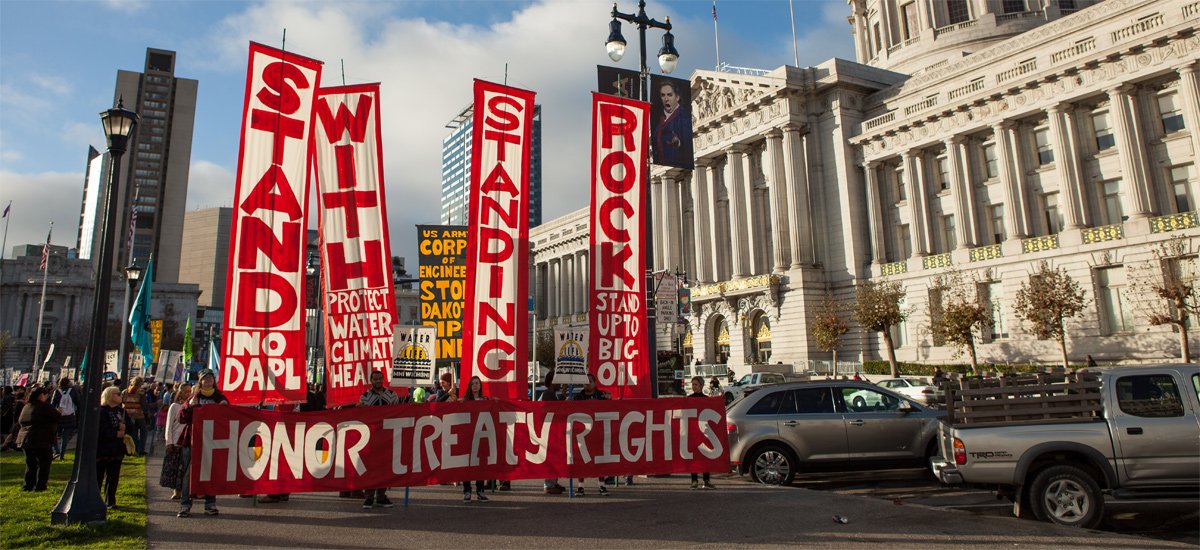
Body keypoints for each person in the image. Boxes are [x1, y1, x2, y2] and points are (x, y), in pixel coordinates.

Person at [177, 368, 228, 517]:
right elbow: (181, 418)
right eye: (205, 378)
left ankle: (210, 504)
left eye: (210, 378)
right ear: (200, 381)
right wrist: (189, 407)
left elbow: (228, 419)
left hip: (212, 440)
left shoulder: (220, 398)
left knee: (211, 473)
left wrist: (225, 408)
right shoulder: (194, 397)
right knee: (189, 474)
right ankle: (185, 505)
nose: (208, 381)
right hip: (193, 440)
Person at [358, 370, 399, 509]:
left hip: (387, 436)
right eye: (375, 379)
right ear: (371, 380)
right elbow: (362, 417)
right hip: (371, 437)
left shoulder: (392, 395)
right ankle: (369, 497)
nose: (378, 381)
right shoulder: (365, 397)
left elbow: (398, 412)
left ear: (383, 379)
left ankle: (381, 496)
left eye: (380, 378)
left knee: (385, 468)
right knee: (371, 467)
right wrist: (359, 409)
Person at [572, 374, 609, 497]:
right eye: (585, 381)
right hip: (583, 433)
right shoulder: (578, 397)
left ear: (595, 383)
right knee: (581, 460)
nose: (587, 383)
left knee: (600, 459)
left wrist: (610, 400)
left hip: (599, 432)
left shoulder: (602, 395)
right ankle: (581, 487)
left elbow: (611, 409)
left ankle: (602, 485)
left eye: (590, 381)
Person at [17, 387, 60, 491]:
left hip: (25, 438)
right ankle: (40, 486)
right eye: (45, 395)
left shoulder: (26, 406)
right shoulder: (44, 406)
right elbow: (57, 416)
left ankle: (28, 486)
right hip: (41, 439)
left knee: (31, 464)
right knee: (44, 464)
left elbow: (20, 420)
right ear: (41, 395)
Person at [460, 376, 490, 503]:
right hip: (468, 438)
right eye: (473, 383)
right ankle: (467, 491)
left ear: (480, 385)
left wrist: (496, 403)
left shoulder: (485, 400)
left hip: (481, 437)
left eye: (477, 383)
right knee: (466, 465)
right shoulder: (465, 401)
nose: (475, 385)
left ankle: (480, 491)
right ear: (470, 386)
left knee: (480, 466)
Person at [96, 386, 128, 508]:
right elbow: (100, 430)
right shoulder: (102, 411)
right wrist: (115, 433)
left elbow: (130, 427)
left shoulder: (121, 411)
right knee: (99, 476)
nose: (120, 396)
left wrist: (125, 428)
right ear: (109, 395)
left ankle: (110, 500)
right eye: (117, 394)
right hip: (103, 449)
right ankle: (96, 499)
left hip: (117, 449)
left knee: (113, 477)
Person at [652, 79, 693, 168]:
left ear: (677, 97)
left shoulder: (684, 117)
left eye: (669, 95)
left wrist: (678, 142)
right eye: (663, 95)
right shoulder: (660, 120)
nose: (666, 99)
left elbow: (688, 140)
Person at [160, 383, 191, 499]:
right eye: (186, 391)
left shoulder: (192, 406)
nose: (188, 394)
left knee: (186, 468)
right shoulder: (174, 406)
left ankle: (187, 491)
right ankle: (177, 491)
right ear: (180, 393)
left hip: (188, 440)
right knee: (177, 468)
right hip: (176, 440)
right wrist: (169, 442)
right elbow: (169, 425)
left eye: (190, 391)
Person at [539, 371, 567, 495]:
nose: (559, 384)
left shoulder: (551, 394)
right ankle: (549, 485)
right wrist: (564, 395)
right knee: (551, 458)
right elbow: (554, 409)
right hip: (549, 431)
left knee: (556, 458)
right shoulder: (547, 394)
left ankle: (553, 482)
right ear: (551, 381)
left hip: (553, 430)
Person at [687, 377, 715, 489]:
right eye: (693, 384)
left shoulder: (706, 399)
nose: (694, 386)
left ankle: (706, 480)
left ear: (701, 386)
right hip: (693, 432)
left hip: (704, 432)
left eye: (696, 384)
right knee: (694, 457)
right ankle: (694, 481)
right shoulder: (689, 399)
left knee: (705, 456)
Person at [51, 377, 81, 460]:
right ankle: (62, 454)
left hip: (59, 415)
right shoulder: (73, 391)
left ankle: (56, 450)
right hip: (70, 415)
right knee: (65, 435)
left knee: (53, 434)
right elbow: (78, 402)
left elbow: (53, 404)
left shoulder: (57, 391)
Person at [121, 377, 147, 455]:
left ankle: (135, 449)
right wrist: (147, 412)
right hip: (139, 414)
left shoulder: (125, 392)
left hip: (128, 414)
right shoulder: (140, 392)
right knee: (143, 431)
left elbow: (122, 402)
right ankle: (141, 449)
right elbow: (144, 405)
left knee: (134, 432)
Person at [142, 381, 162, 455]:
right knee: (150, 428)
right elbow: (147, 404)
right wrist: (156, 404)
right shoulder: (147, 394)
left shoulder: (152, 393)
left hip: (153, 411)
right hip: (150, 411)